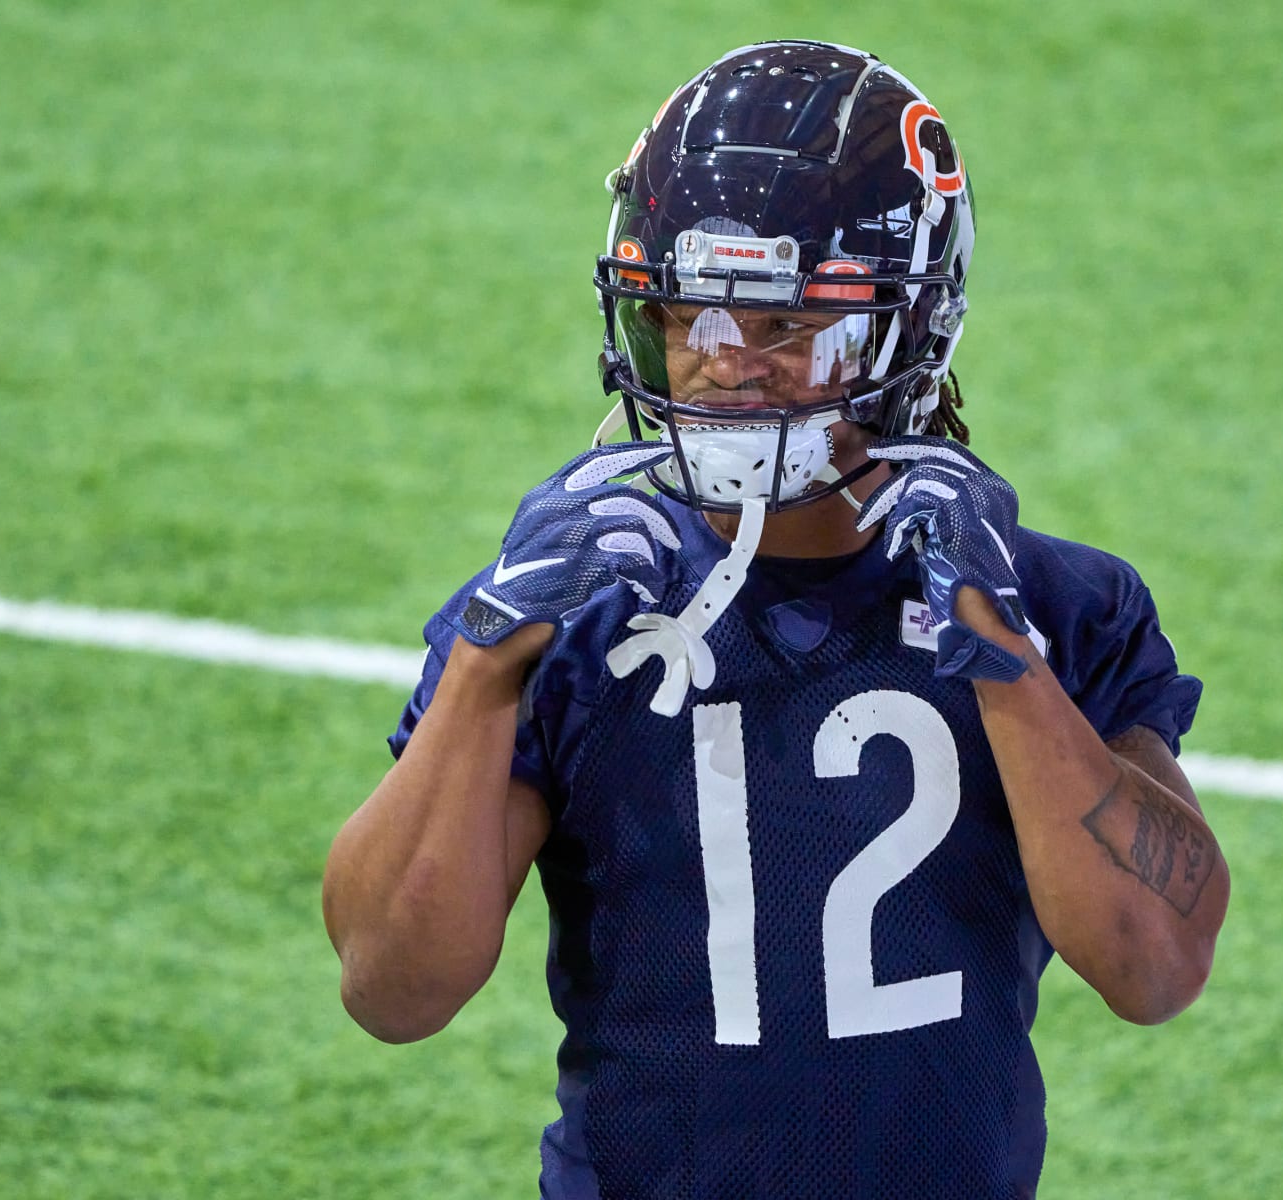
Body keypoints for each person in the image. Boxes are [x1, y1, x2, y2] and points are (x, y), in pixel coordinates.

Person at [323, 39, 1229, 1200]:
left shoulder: (1055, 610)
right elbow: (392, 992)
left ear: (910, 330)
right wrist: (486, 664)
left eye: (790, 323)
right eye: (686, 311)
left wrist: (996, 653)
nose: (723, 364)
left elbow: (1156, 966)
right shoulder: (567, 616)